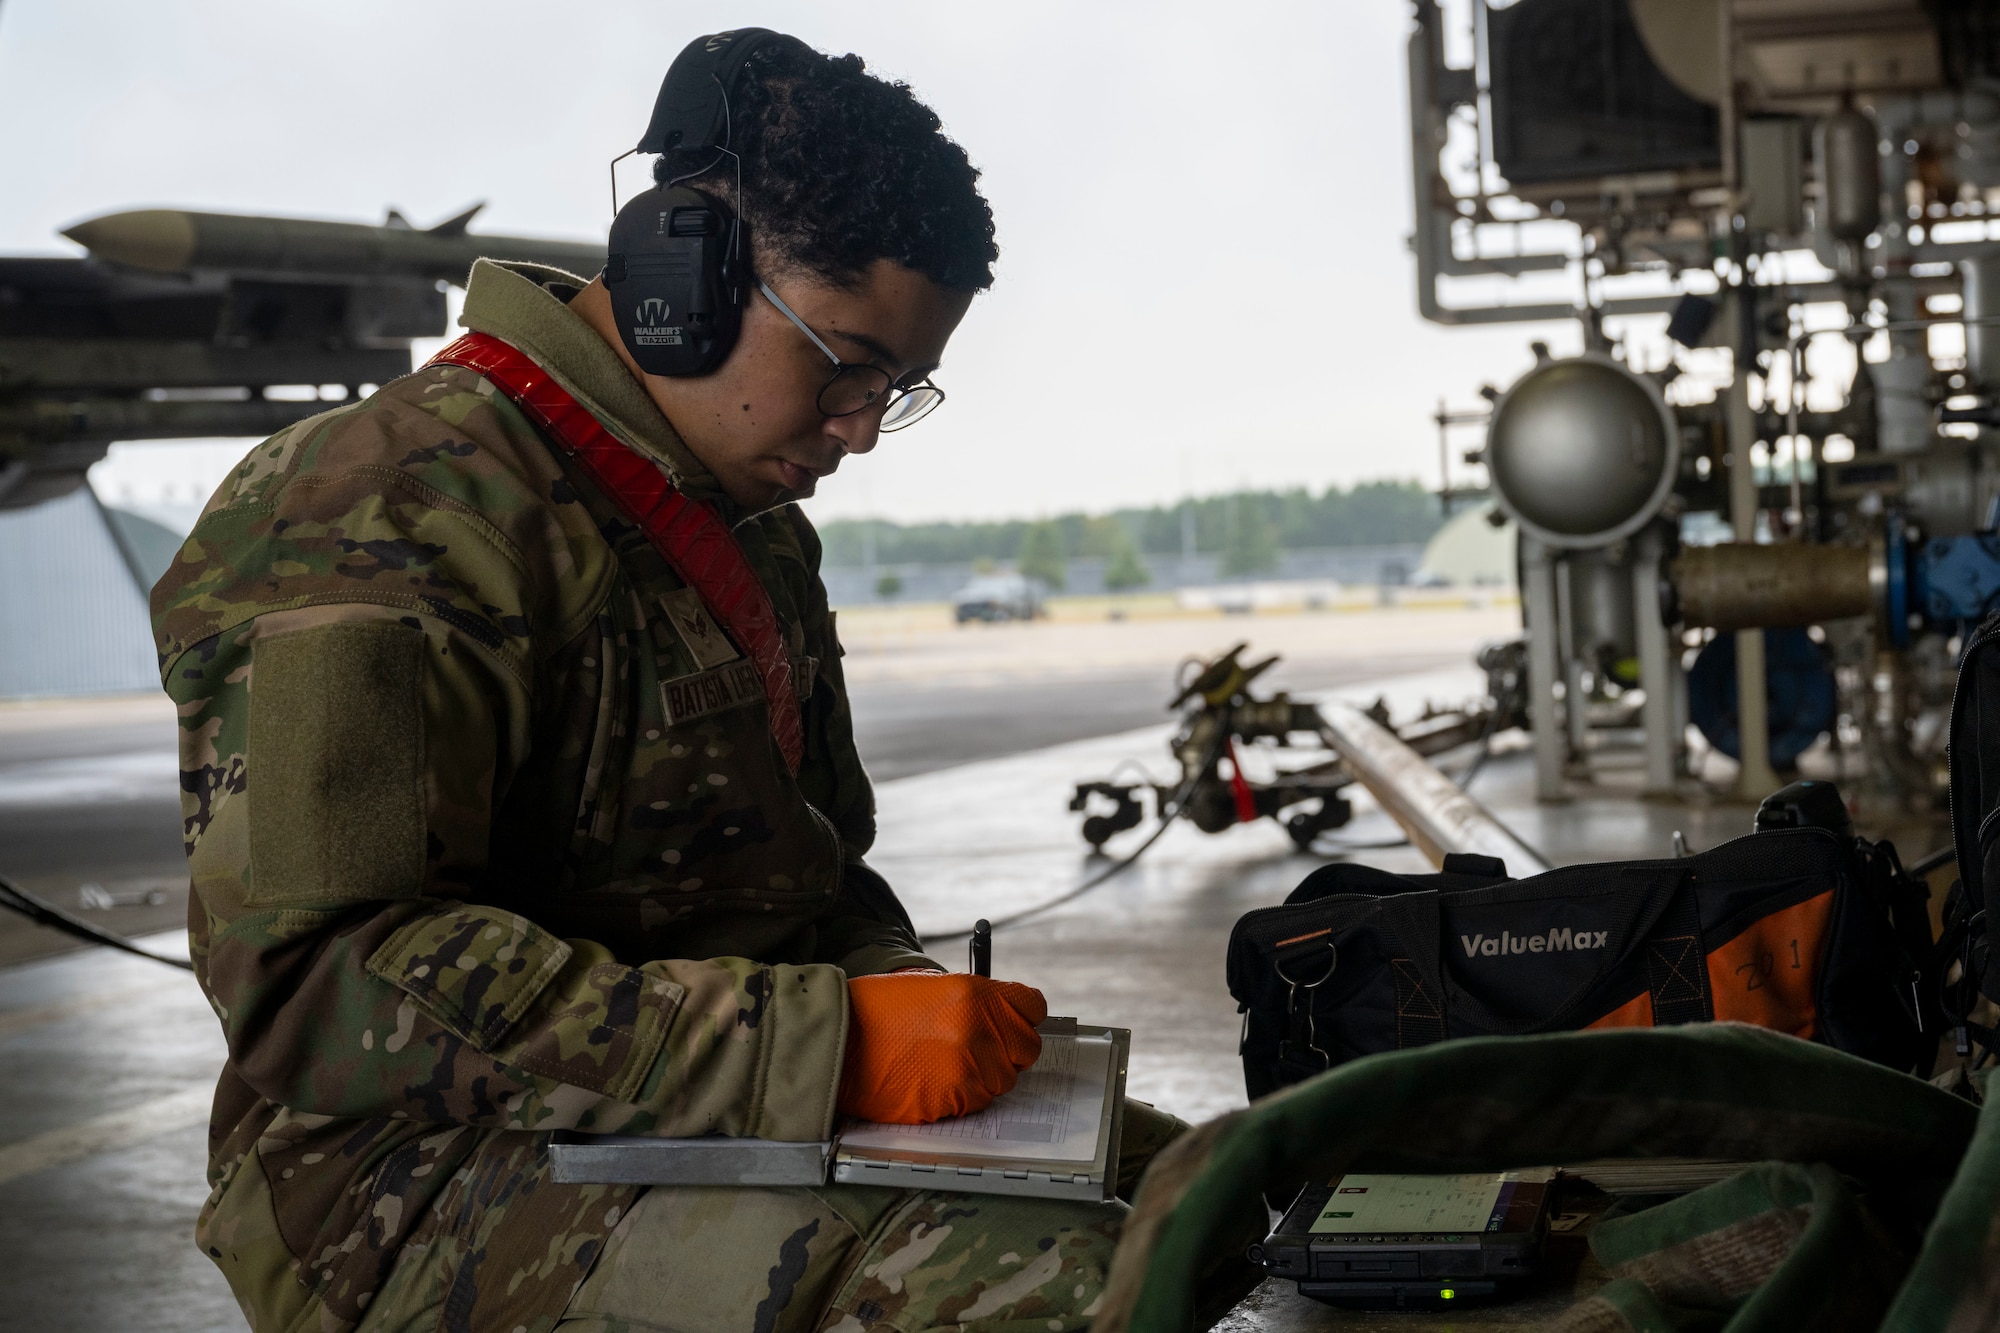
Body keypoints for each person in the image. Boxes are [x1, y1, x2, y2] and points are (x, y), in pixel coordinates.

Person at [154, 30, 1202, 1333]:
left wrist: (890, 983)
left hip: (703, 1116)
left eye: (901, 384)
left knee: (1197, 1196)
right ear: (680, 280)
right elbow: (326, 986)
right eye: (848, 364)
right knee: (1047, 1281)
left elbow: (802, 874)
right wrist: (827, 1048)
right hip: (407, 1182)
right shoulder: (383, 506)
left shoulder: (746, 529)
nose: (864, 425)